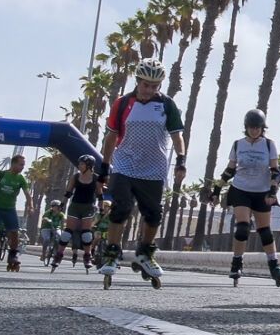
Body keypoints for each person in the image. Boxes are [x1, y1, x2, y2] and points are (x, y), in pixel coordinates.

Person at [99, 61, 187, 289]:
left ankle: (145, 253)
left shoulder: (167, 104)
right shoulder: (123, 103)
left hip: (153, 167)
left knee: (154, 214)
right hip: (124, 163)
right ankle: (112, 251)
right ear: (138, 82)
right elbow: (111, 137)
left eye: (155, 85)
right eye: (147, 85)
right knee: (121, 207)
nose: (150, 90)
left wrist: (181, 161)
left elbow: (177, 136)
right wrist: (104, 167)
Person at [219, 109, 280, 287]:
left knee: (264, 230)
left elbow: (275, 171)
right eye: (251, 127)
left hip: (262, 191)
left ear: (262, 128)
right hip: (240, 189)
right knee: (242, 228)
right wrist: (216, 189)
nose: (254, 130)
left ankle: (274, 266)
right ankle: (236, 263)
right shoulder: (237, 144)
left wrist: (273, 192)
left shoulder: (268, 145)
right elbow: (230, 169)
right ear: (246, 127)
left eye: (258, 128)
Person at [0, 155, 32, 272]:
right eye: (21, 164)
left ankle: (13, 254)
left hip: (9, 209)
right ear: (13, 164)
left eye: (23, 165)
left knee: (14, 233)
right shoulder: (1, 174)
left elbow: (27, 194)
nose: (22, 167)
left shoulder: (20, 179)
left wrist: (31, 206)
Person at [59, 156, 105, 271]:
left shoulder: (96, 178)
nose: (79, 166)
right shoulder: (75, 177)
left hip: (88, 207)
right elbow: (68, 192)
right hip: (75, 206)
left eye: (82, 164)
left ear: (89, 166)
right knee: (67, 232)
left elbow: (100, 195)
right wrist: (62, 204)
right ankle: (59, 254)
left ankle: (87, 256)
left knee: (87, 233)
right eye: (79, 164)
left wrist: (102, 208)